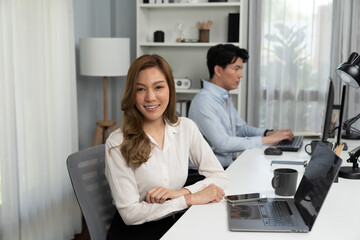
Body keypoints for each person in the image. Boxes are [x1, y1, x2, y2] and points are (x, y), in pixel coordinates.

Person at [105, 54, 229, 240]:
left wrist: (180, 193)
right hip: (136, 232)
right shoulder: (117, 143)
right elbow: (131, 214)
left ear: (170, 89)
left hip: (175, 222)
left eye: (158, 87)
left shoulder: (186, 128)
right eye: (140, 89)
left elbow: (220, 176)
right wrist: (189, 199)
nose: (150, 97)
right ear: (132, 94)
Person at [188, 44, 294, 168]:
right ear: (218, 70)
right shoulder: (204, 101)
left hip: (225, 168)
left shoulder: (224, 97)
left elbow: (240, 129)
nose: (241, 75)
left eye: (241, 69)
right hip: (204, 175)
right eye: (236, 68)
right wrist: (268, 140)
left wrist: (268, 133)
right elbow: (223, 143)